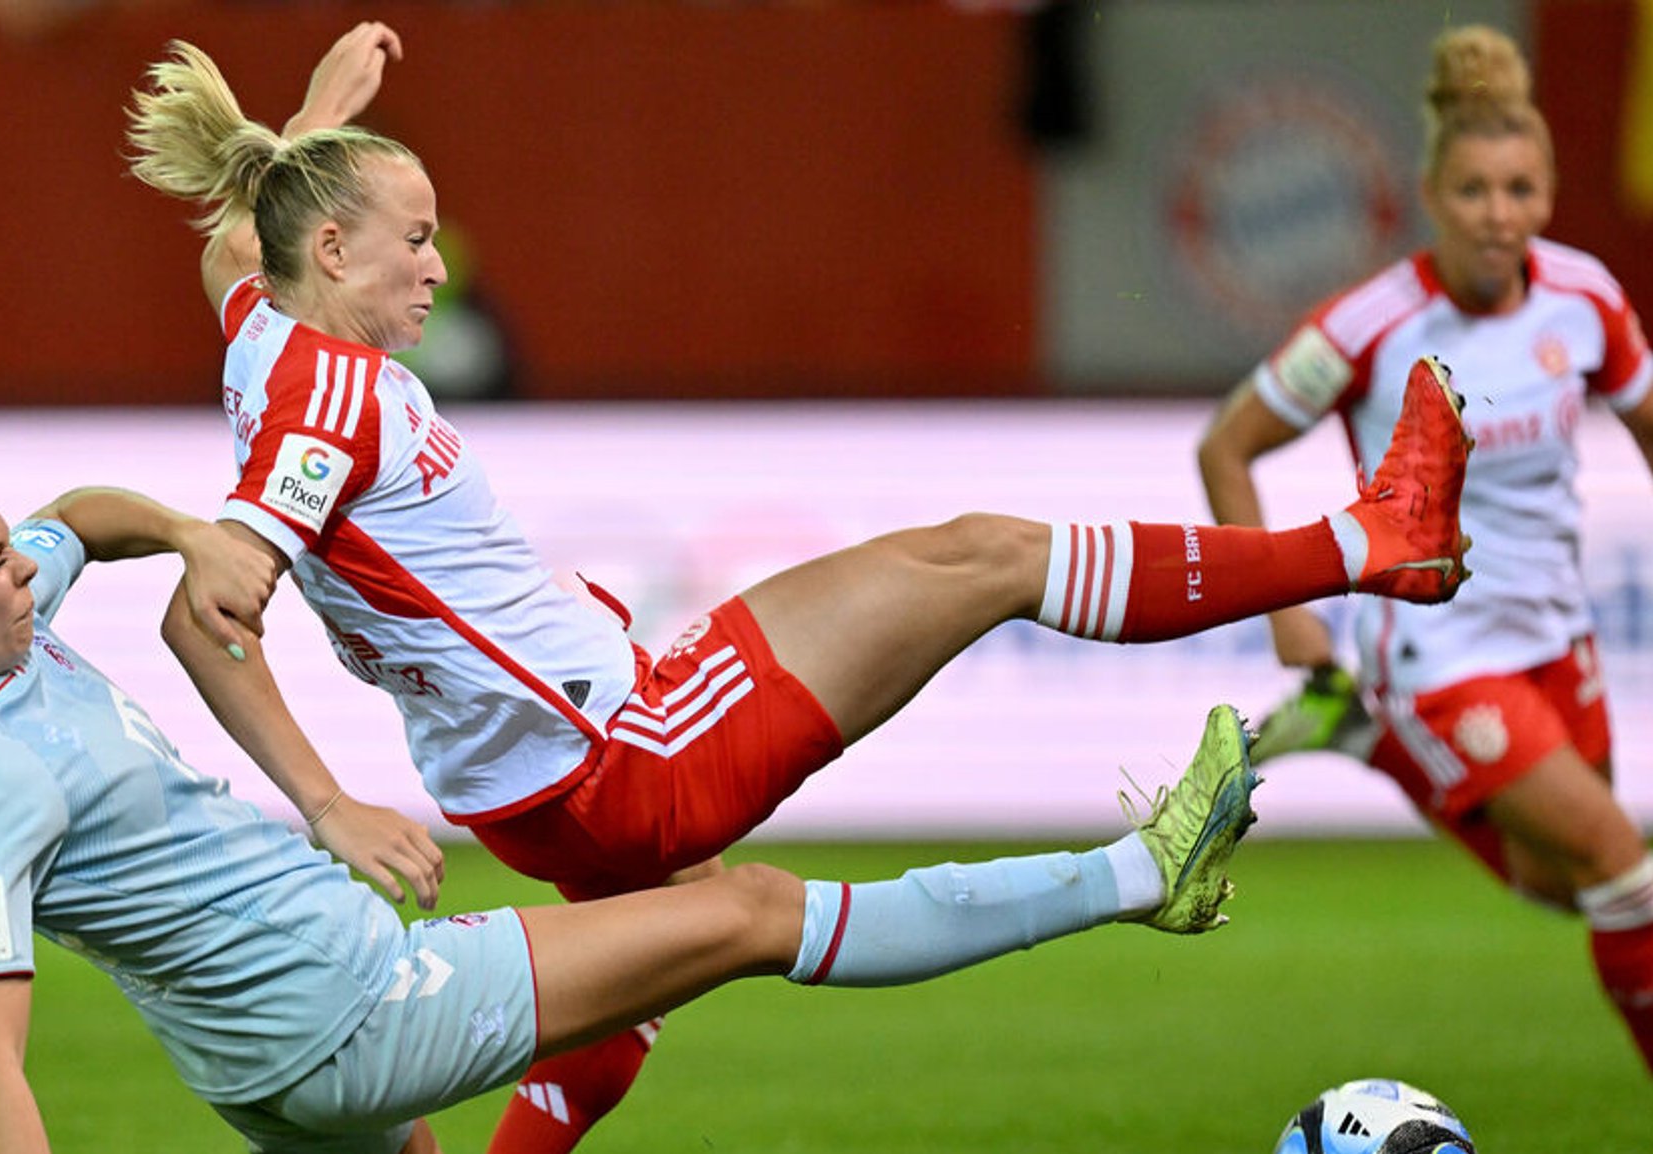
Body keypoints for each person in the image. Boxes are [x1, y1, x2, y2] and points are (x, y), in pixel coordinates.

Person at [125, 28, 1474, 1153]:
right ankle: (1374, 538)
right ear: (339, 256)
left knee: (669, 960)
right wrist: (328, 801)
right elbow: (209, 606)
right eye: (412, 239)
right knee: (982, 557)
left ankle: (1141, 869)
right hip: (617, 753)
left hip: (530, 787)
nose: (436, 263)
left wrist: (309, 126)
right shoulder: (328, 392)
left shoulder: (259, 321)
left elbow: (235, 249)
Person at [0, 325, 1268, 1154]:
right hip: (347, 1009)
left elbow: (72, 515)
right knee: (748, 908)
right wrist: (323, 804)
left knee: (663, 952)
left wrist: (191, 537)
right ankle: (1145, 868)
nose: (20, 566)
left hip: (263, 1051)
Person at [1197, 25, 1653, 1077]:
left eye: (1520, 190)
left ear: (1545, 194)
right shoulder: (1367, 322)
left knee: (1566, 882)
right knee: (1619, 867)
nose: (1499, 217)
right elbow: (1227, 445)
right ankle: (1379, 714)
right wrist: (1285, 610)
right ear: (1430, 197)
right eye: (1475, 192)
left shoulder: (1582, 298)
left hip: (1554, 632)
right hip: (1437, 653)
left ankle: (1363, 740)